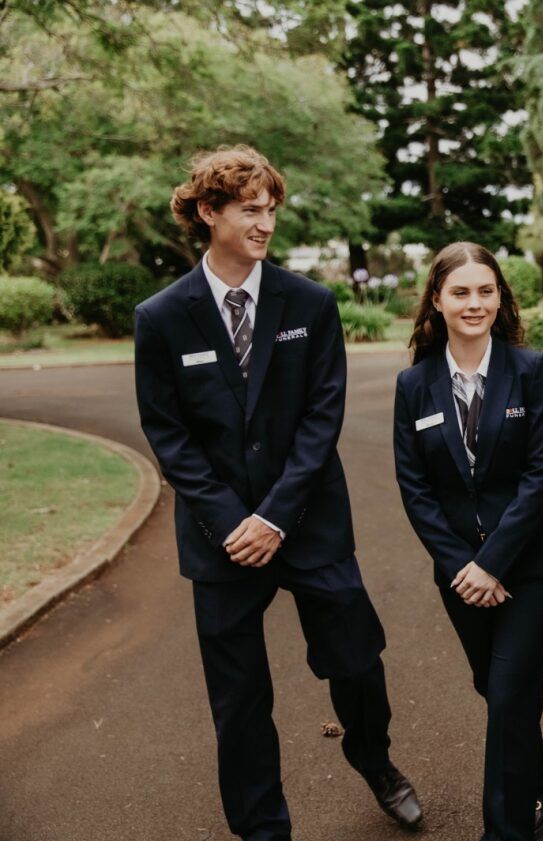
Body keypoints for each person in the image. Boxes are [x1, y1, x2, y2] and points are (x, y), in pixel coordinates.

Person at [134, 145, 423, 840]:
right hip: (220, 535)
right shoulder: (162, 317)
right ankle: (262, 826)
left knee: (357, 658)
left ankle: (373, 756)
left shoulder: (310, 304)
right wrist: (237, 520)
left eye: (271, 211)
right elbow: (168, 434)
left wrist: (276, 516)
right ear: (209, 212)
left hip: (308, 520)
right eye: (249, 211)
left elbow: (322, 418)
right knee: (238, 700)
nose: (265, 224)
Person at [393, 242, 543, 841]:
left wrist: (492, 562)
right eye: (462, 292)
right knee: (498, 691)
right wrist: (461, 566)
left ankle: (505, 827)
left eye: (487, 291)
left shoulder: (529, 369)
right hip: (459, 575)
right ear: (437, 301)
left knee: (508, 692)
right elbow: (414, 490)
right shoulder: (413, 385)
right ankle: (541, 778)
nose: (476, 303)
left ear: (501, 297)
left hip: (535, 565)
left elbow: (541, 476)